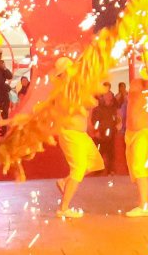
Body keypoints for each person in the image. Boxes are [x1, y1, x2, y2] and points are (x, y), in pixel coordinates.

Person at [45, 59, 102, 220]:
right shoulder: (64, 89)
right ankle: (63, 208)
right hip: (70, 133)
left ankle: (65, 182)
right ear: (63, 74)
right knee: (78, 169)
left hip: (80, 134)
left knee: (93, 164)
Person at [121, 45, 148, 217]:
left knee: (140, 166)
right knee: (143, 170)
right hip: (132, 132)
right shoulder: (136, 84)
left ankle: (143, 206)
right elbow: (137, 94)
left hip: (145, 132)